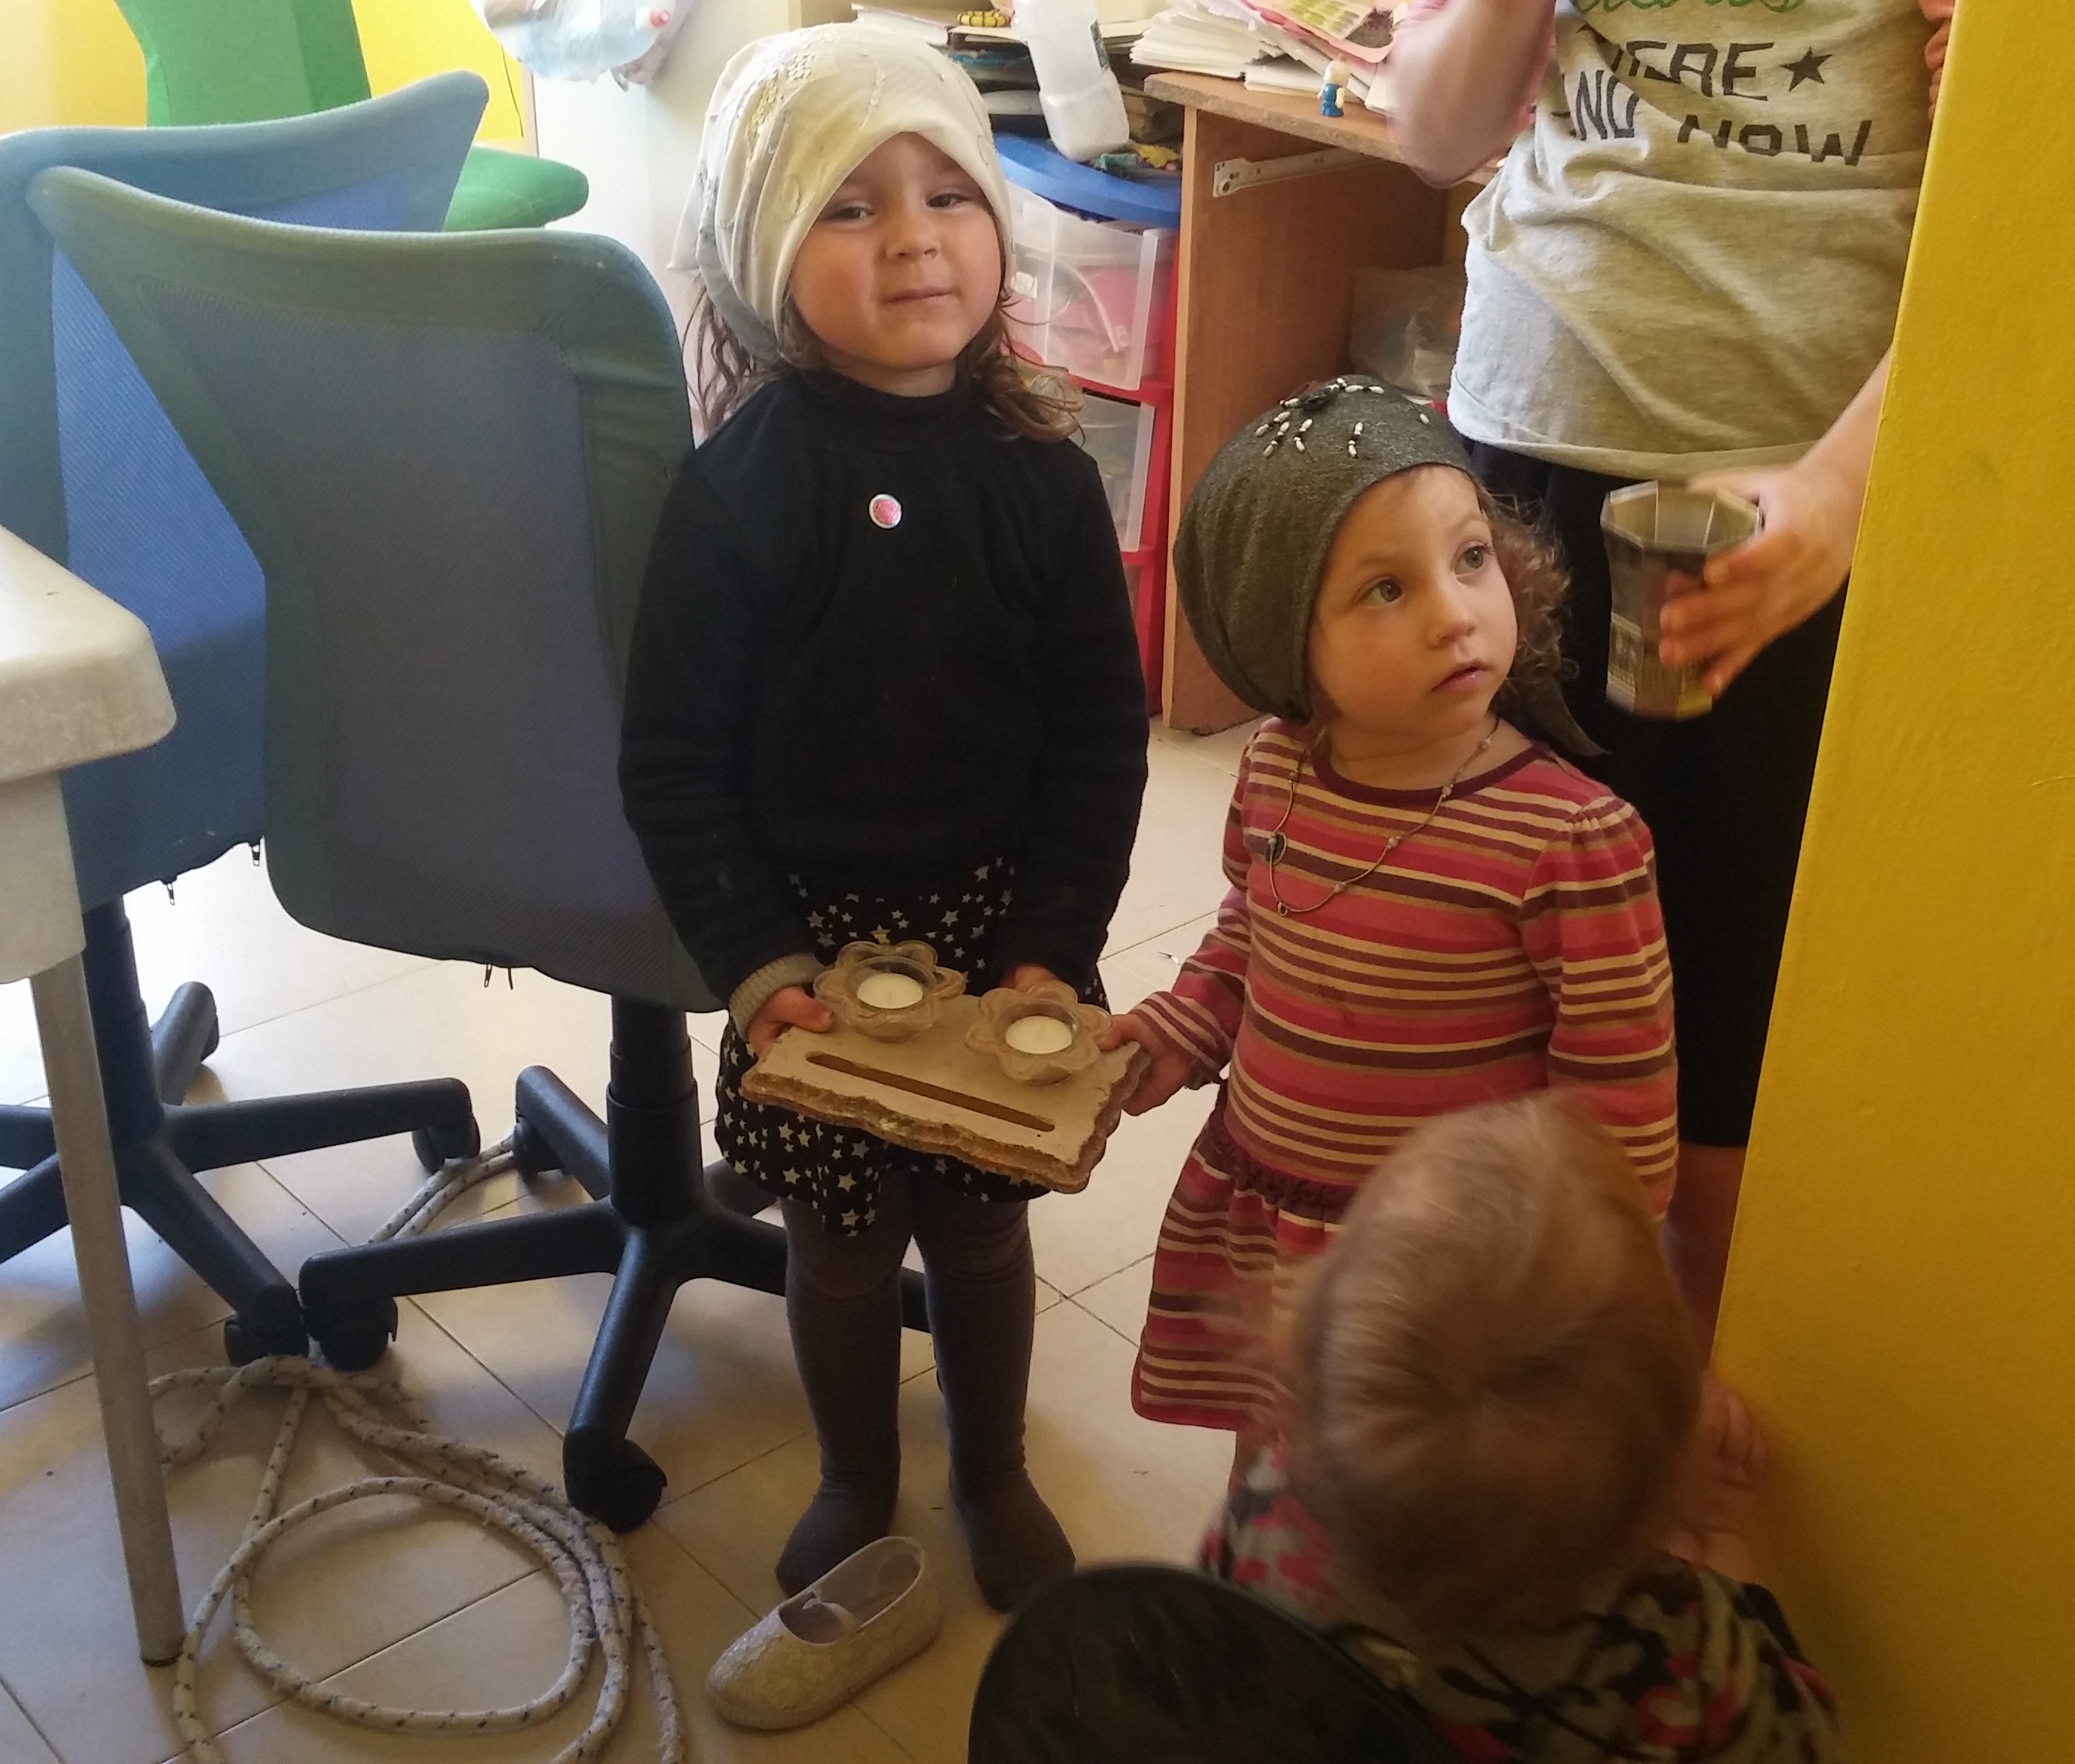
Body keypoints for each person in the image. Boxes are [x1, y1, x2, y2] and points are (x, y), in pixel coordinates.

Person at [621, 23, 1150, 1612]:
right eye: (849, 207)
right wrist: (756, 961)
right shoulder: (735, 492)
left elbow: (1098, 740)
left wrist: (1054, 942)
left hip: (1000, 936)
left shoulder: (1044, 477)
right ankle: (856, 1471)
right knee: (842, 1247)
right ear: (768, 260)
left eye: (947, 194)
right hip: (809, 948)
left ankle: (991, 1463)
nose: (913, 237)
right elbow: (674, 763)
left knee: (981, 1235)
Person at [1389, 0, 1942, 1345]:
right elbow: (1433, 129)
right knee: (1481, 977)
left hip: (1797, 498)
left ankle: (1673, 1407)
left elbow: (2020, 205)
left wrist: (1844, 489)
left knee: (1728, 1040)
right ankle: (1479, 1388)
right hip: (1536, 433)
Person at [1106, 375, 1676, 1462]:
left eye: (1470, 559)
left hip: (1444, 1282)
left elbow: (1622, 1121)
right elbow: (1253, 929)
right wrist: (1185, 1027)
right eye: (1384, 589)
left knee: (1412, 1500)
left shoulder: (1571, 840)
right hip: (1278, 1220)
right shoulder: (1275, 768)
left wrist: (1579, 1290)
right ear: (1284, 640)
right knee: (1279, 1464)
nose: (1455, 613)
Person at [1204, 1096, 1839, 1762]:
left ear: (1312, 1355)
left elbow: (1202, 1668)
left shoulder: (1264, 1518)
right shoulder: (1677, 1653)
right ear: (1654, 1486)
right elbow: (1799, 1740)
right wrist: (1726, 1541)